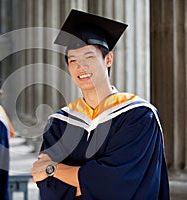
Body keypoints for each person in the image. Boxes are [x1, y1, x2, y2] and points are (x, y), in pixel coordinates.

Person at [31, 9, 170, 200]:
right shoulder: (60, 123)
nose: (81, 67)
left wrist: (52, 168)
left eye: (89, 57)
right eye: (73, 60)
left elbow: (119, 184)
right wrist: (90, 180)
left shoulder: (139, 116)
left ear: (108, 59)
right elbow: (48, 188)